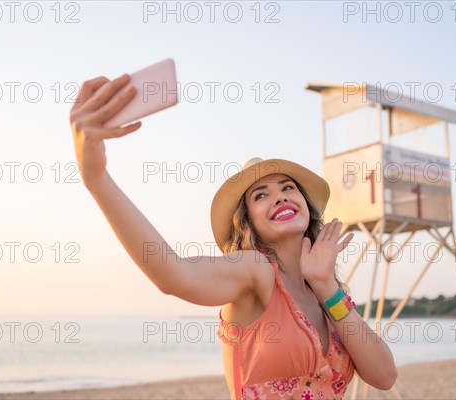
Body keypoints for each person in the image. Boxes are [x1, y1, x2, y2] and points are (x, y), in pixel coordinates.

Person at [69, 74, 397, 399]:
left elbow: (383, 376)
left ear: (306, 206)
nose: (280, 197)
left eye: (288, 188)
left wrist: (326, 286)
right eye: (261, 195)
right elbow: (174, 275)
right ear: (248, 222)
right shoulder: (254, 270)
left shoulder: (328, 292)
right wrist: (96, 178)